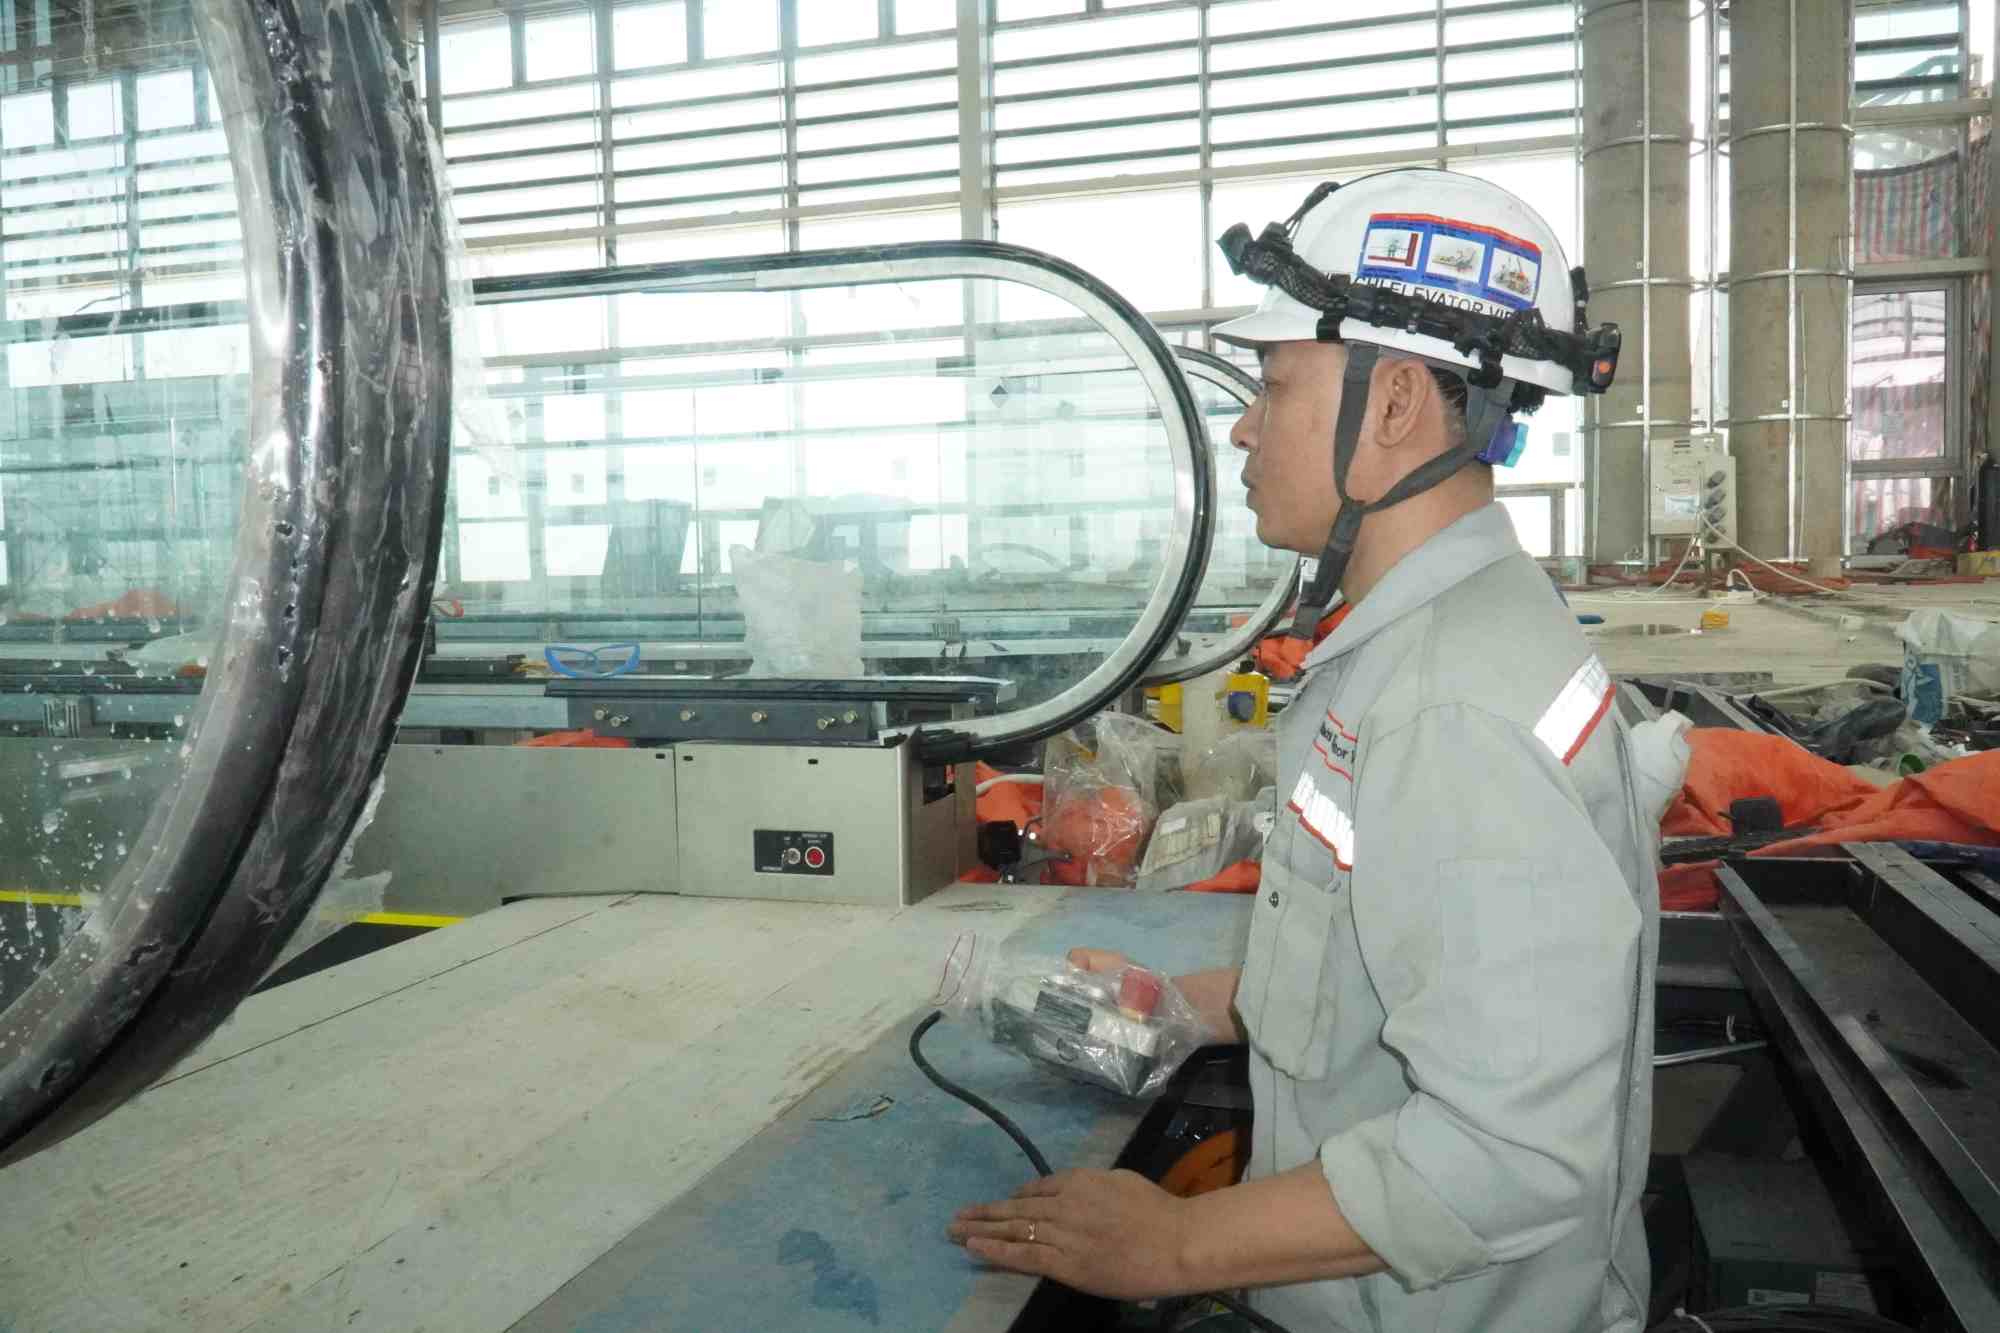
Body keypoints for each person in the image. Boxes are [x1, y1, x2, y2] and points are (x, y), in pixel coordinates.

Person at [947, 169, 1660, 1333]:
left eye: (1275, 383)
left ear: (1391, 410)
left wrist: (1176, 1241)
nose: (1240, 421)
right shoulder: (1432, 640)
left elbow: (1512, 1154)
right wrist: (1194, 1003)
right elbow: (1408, 964)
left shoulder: (1448, 708)